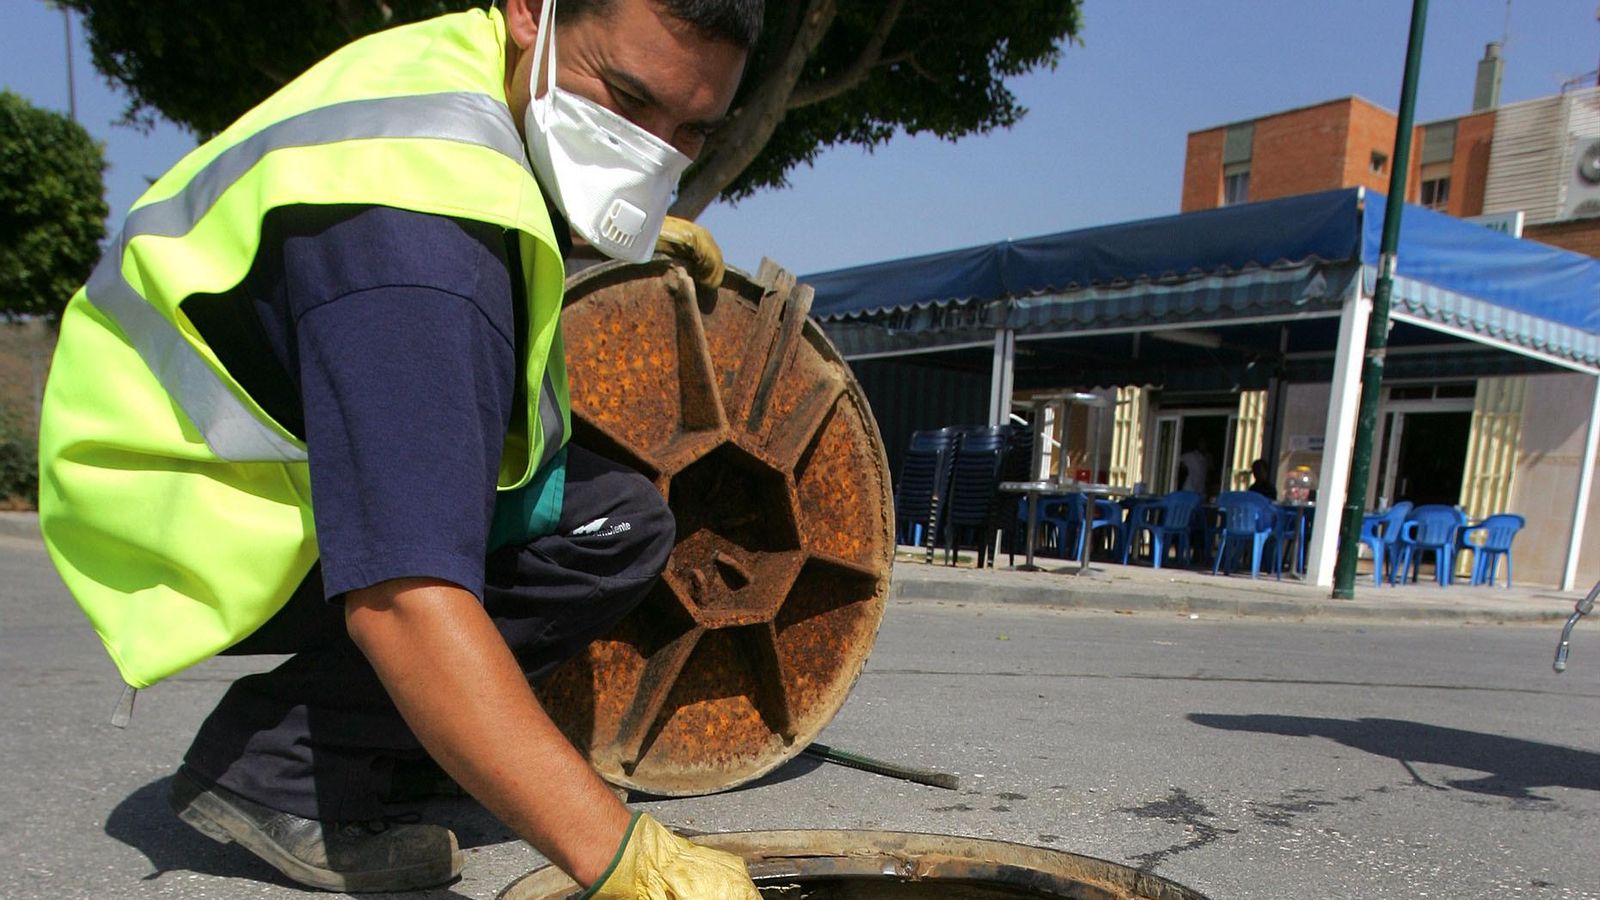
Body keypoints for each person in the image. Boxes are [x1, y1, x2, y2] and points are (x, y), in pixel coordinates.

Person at [37, 0, 764, 895]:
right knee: (477, 569)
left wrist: (601, 230)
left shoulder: (459, 69)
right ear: (532, 10)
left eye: (691, 127)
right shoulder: (412, 235)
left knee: (611, 519)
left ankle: (418, 739)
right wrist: (619, 857)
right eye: (624, 97)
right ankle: (283, 770)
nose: (655, 148)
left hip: (253, 446)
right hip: (183, 504)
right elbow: (408, 600)